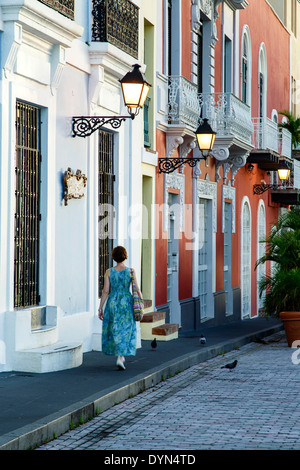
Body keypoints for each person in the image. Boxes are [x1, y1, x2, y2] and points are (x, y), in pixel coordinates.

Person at [98, 246, 142, 370]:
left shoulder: (109, 271)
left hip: (113, 301)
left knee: (115, 328)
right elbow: (137, 289)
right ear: (125, 256)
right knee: (126, 329)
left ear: (114, 257)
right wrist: (140, 303)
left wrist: (100, 307)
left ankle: (119, 355)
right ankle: (120, 357)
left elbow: (106, 291)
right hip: (126, 302)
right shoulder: (131, 271)